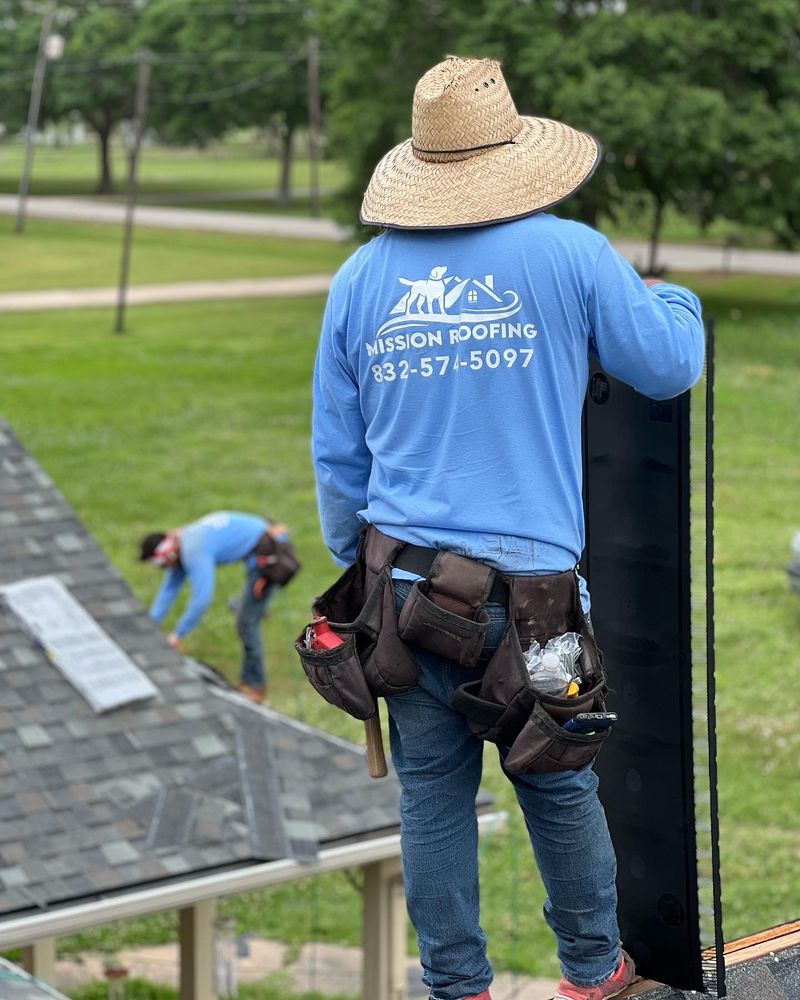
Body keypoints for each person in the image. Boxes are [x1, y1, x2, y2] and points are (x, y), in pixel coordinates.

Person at [310, 57, 706, 1000]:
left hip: (401, 595)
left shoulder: (360, 280)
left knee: (432, 802)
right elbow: (666, 363)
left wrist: (351, 573)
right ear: (513, 155)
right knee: (561, 779)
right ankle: (592, 972)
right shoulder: (570, 254)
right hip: (542, 608)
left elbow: (339, 461)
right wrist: (676, 300)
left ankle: (457, 987)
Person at [140, 510, 289, 703]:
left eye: (163, 565)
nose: (166, 570)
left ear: (167, 554)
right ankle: (248, 680)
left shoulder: (193, 549)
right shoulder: (182, 543)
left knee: (247, 624)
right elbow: (168, 590)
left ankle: (254, 687)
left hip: (270, 554)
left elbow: (202, 598)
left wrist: (178, 635)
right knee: (245, 613)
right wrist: (147, 627)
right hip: (260, 543)